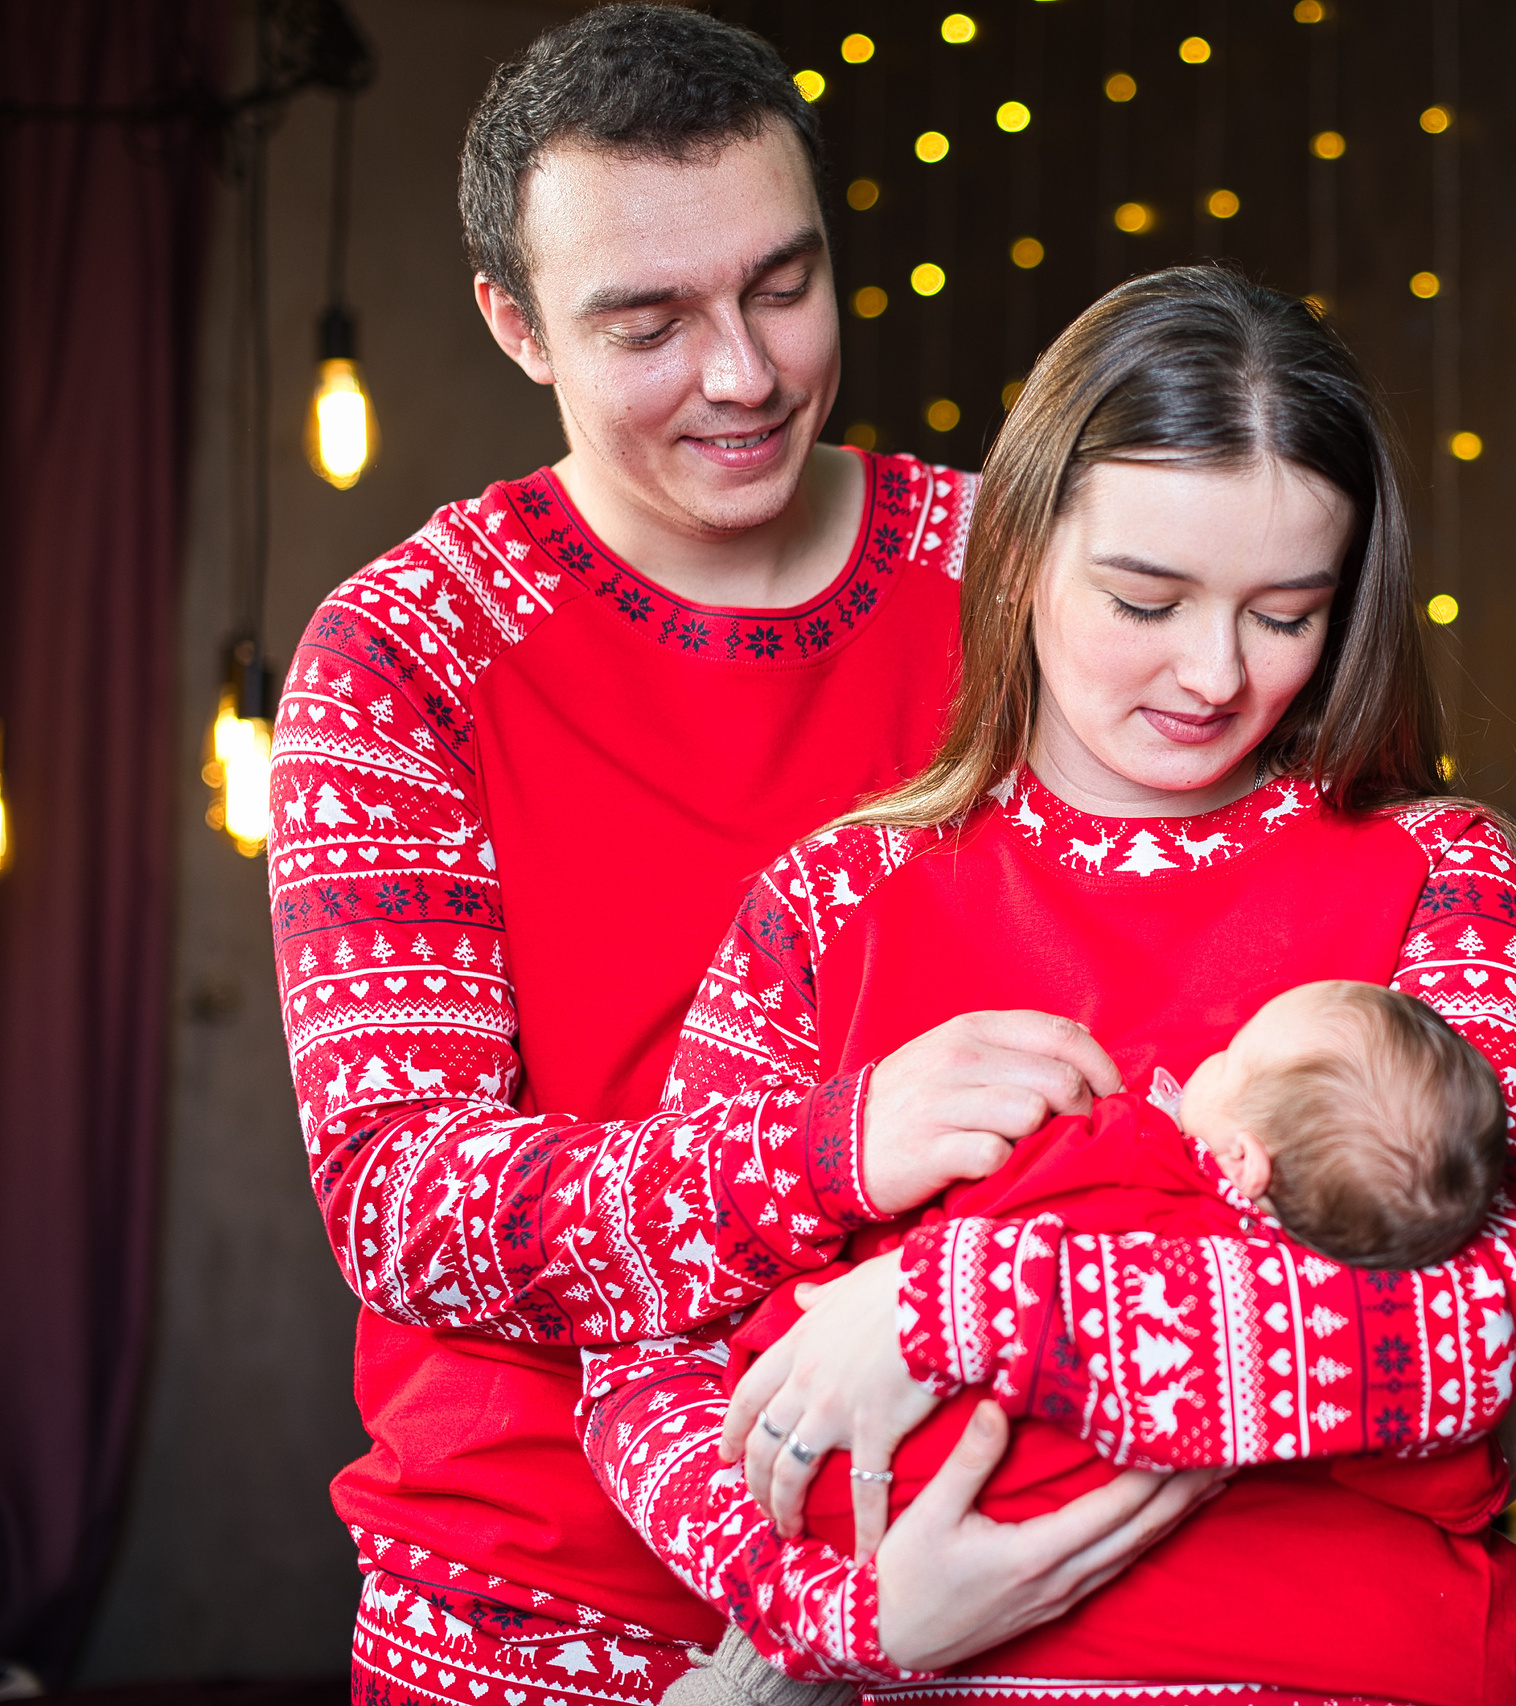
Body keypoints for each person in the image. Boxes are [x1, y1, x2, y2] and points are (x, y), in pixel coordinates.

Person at [271, 9, 1224, 1699]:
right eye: (647, 323)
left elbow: (1237, 964)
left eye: (783, 286)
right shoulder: (405, 653)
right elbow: (401, 1202)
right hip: (534, 1606)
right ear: (515, 325)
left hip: (988, 1553)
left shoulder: (1022, 574)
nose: (744, 372)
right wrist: (831, 1150)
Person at [580, 265, 1516, 1702]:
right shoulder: (827, 900)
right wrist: (854, 1614)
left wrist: (949, 1305)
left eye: (1286, 612)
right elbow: (647, 1355)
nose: (1214, 672)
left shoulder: (1441, 876)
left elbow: (1472, 1334)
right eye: (1145, 597)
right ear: (1023, 547)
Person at [660, 980, 1516, 1703]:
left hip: (824, 1471)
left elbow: (970, 1215)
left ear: (1249, 1162)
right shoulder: (1335, 1347)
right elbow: (1461, 1481)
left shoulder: (1125, 1150)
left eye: (1235, 1058)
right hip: (957, 1536)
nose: (1209, 1060)